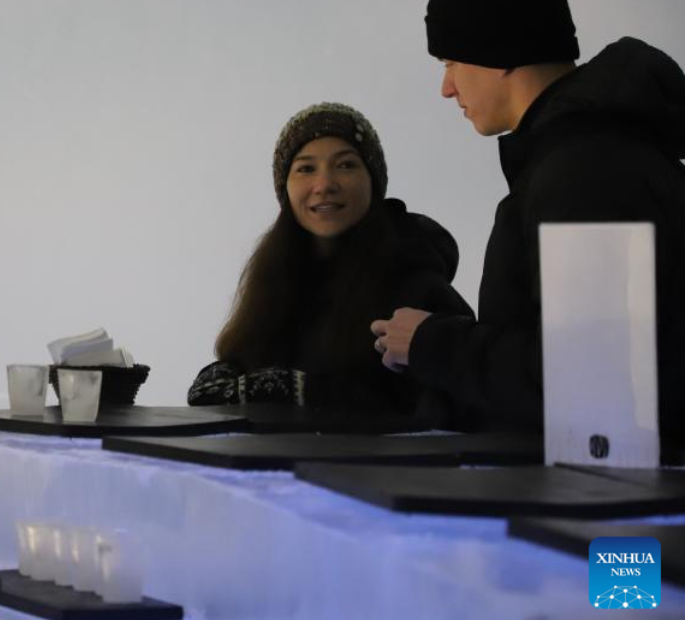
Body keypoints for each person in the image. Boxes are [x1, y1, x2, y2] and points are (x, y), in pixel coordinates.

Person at [371, 0, 685, 444]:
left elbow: (592, 385)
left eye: (451, 60)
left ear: (497, 52)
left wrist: (434, 343)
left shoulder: (586, 171)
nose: (447, 88)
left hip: (607, 512)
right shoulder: (584, 157)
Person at [188, 102, 472, 420]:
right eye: (306, 169)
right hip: (278, 465)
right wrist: (226, 372)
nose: (324, 185)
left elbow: (445, 401)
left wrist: (301, 391)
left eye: (346, 165)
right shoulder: (276, 277)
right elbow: (252, 365)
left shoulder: (414, 277)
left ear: (373, 182)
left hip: (376, 468)